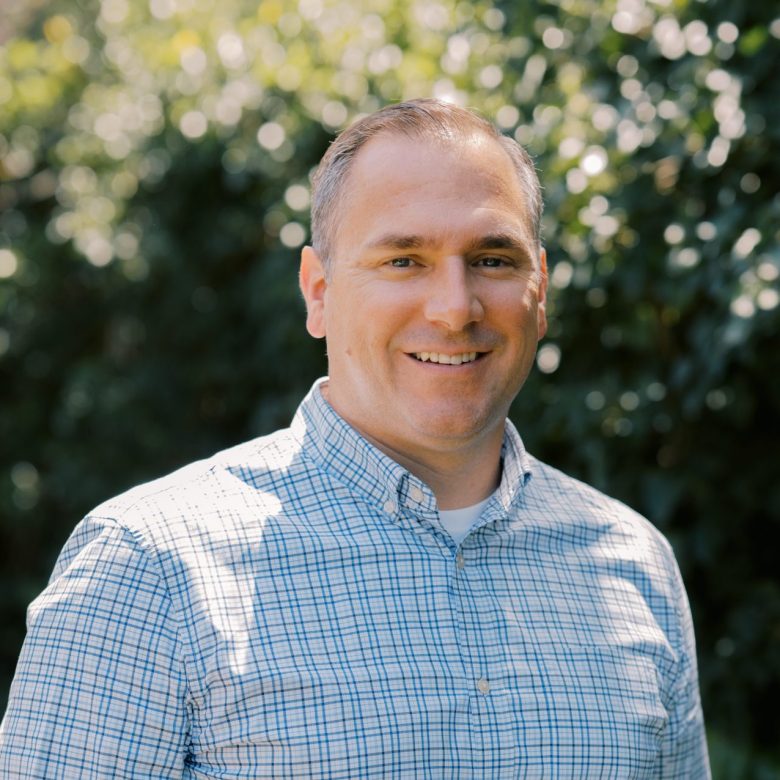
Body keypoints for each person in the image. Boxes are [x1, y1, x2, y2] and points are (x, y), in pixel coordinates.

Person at [0, 99, 710, 778]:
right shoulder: (150, 568)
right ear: (318, 292)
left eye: (493, 259)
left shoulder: (633, 562)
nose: (454, 308)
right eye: (404, 260)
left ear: (541, 290)